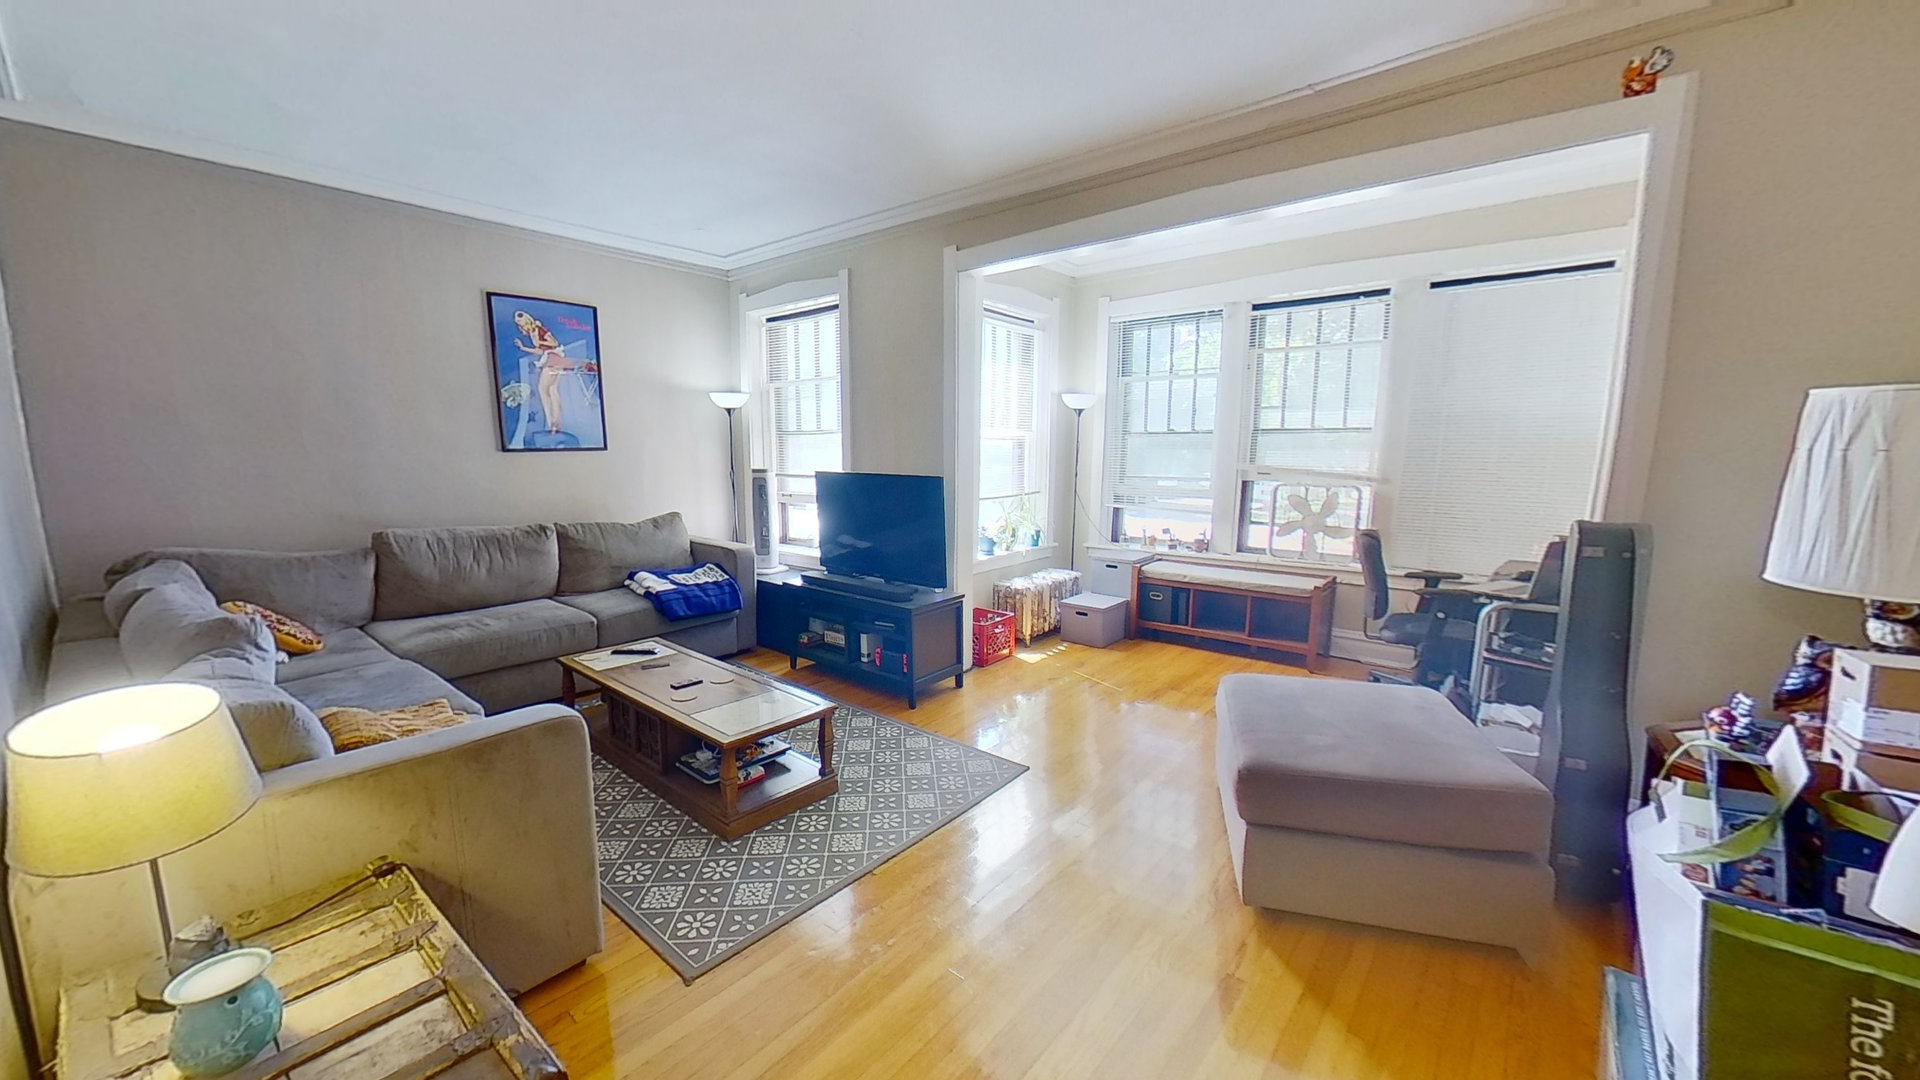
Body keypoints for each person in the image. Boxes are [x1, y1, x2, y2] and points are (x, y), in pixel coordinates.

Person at [513, 310, 573, 435]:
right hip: (551, 359)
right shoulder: (532, 333)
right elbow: (540, 351)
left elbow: (554, 343)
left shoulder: (539, 329)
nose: (521, 328)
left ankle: (553, 422)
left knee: (543, 389)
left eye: (521, 324)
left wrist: (539, 342)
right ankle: (555, 424)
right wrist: (523, 348)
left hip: (553, 359)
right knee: (552, 390)